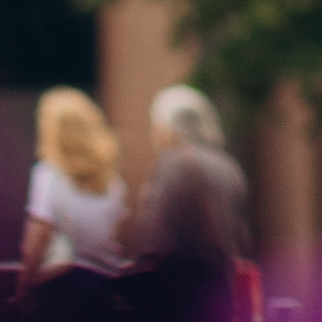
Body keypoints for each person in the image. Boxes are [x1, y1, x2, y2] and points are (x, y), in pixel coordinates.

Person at [132, 85, 252, 278]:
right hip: (223, 285)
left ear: (167, 128)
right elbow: (242, 237)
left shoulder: (175, 163)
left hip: (183, 288)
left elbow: (155, 238)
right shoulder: (229, 166)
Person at [19, 86, 128, 288]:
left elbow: (38, 235)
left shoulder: (49, 174)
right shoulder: (112, 179)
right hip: (106, 280)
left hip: (63, 280)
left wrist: (22, 290)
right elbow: (115, 235)